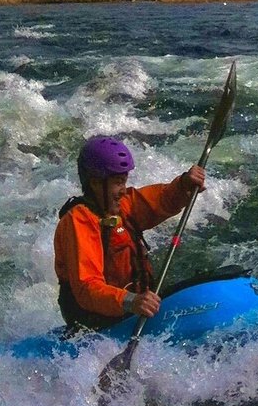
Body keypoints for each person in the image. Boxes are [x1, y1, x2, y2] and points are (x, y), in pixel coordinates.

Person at [53, 135, 205, 331]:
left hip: (131, 312)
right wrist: (131, 301)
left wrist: (185, 184)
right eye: (117, 182)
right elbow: (87, 286)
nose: (123, 190)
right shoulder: (78, 221)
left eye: (124, 181)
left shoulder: (121, 207)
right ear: (95, 183)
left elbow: (160, 200)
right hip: (96, 326)